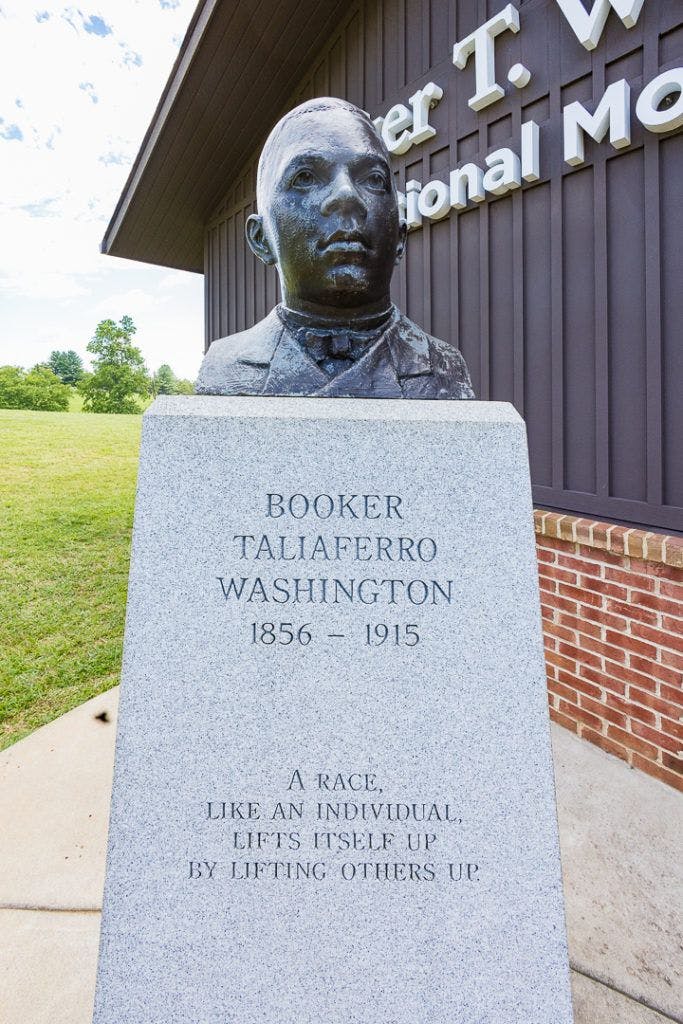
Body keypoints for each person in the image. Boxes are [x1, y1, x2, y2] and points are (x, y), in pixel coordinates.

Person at [196, 97, 474, 400]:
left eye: (372, 179)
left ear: (399, 238)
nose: (346, 195)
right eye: (305, 177)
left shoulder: (445, 369)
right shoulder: (226, 367)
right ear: (261, 238)